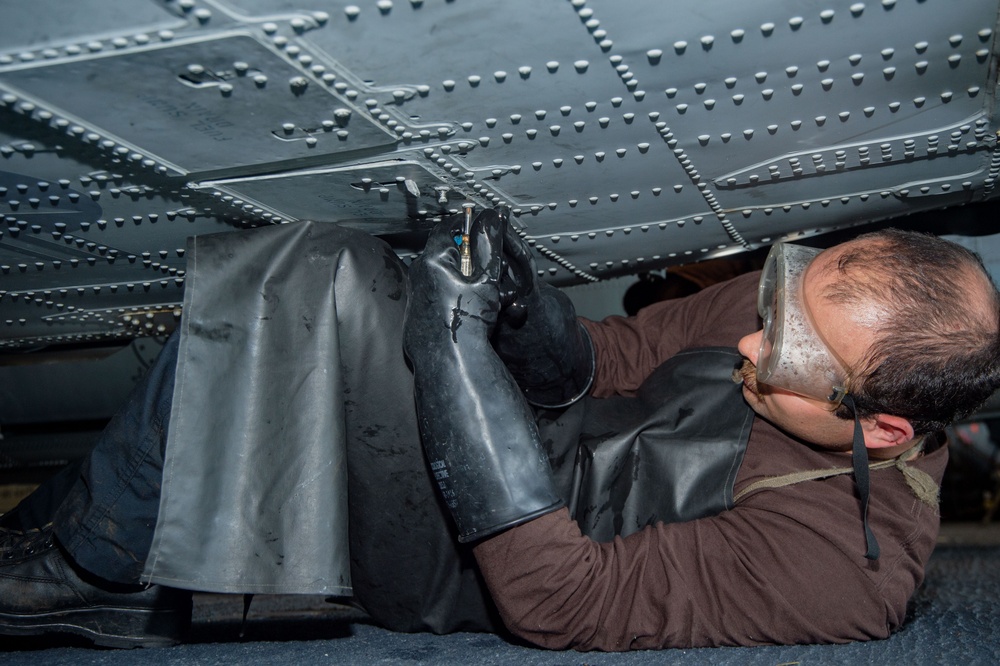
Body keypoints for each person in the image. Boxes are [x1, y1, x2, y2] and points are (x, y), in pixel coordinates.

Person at [1, 207, 998, 651]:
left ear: (880, 430)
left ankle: (87, 568)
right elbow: (610, 362)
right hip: (534, 445)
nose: (746, 333)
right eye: (779, 300)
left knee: (323, 286)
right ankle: (85, 544)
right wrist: (523, 307)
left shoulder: (843, 571)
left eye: (783, 353)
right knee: (330, 264)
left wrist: (454, 362)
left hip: (485, 564)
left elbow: (560, 601)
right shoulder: (803, 313)